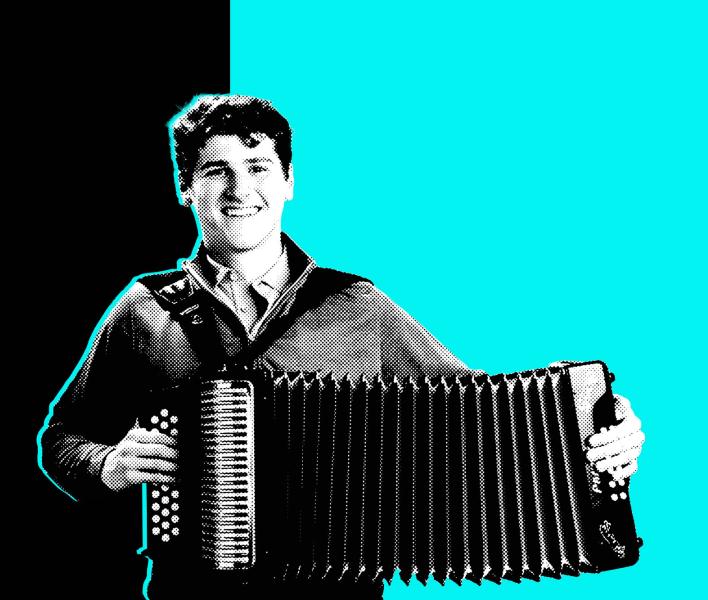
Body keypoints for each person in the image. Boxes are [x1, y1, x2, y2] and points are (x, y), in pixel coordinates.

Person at [38, 94, 645, 599]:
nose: (238, 188)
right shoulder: (145, 309)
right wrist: (108, 464)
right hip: (194, 593)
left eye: (257, 167)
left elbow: (494, 419)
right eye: (215, 170)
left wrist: (597, 432)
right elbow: (61, 439)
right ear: (184, 188)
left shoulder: (357, 304)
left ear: (288, 183)